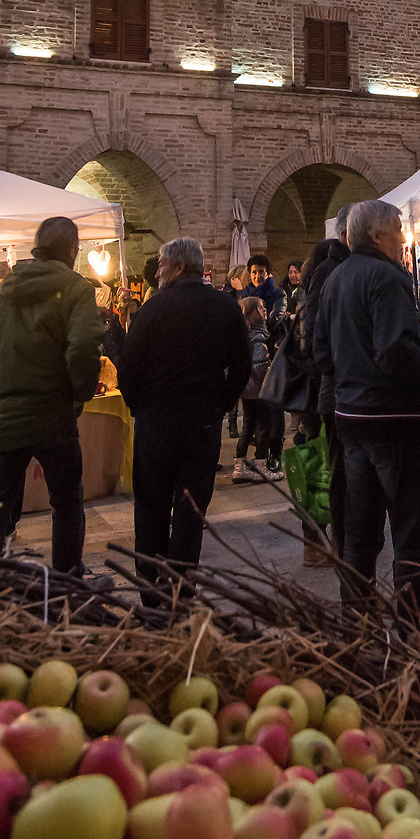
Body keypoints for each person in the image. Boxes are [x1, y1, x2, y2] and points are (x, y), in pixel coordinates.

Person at [312, 197, 420, 647]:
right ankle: (418, 642)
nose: (404, 237)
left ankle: (358, 634)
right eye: (399, 228)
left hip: (351, 418)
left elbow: (321, 353)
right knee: (413, 536)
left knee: (361, 534)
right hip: (393, 418)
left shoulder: (335, 279)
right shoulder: (388, 278)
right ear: (377, 234)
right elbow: (395, 349)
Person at [0, 216, 103, 573]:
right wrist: (79, 394)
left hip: (4, 416)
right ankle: (67, 579)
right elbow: (83, 346)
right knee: (66, 502)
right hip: (54, 415)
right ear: (72, 249)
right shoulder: (76, 288)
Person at [116, 238, 253, 583]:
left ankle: (151, 589)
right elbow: (241, 365)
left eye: (161, 265)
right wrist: (221, 404)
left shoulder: (151, 311)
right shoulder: (224, 307)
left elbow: (128, 370)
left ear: (178, 267)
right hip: (201, 422)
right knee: (192, 511)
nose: (157, 272)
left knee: (151, 510)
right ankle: (181, 586)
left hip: (156, 422)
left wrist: (139, 407)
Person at [299, 226, 352, 560]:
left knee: (314, 461)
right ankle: (318, 541)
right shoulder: (328, 276)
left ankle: (314, 541)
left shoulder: (311, 284)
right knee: (325, 465)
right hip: (319, 388)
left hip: (310, 391)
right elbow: (316, 342)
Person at [232, 295, 281, 482]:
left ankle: (240, 466)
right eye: (261, 308)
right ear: (251, 312)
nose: (265, 310)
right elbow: (260, 365)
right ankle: (261, 465)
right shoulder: (258, 336)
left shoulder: (243, 334)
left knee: (248, 425)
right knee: (263, 426)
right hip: (259, 389)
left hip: (246, 389)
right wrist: (271, 379)